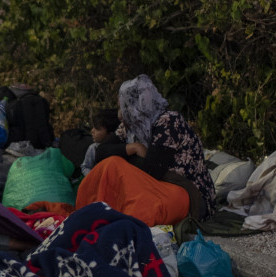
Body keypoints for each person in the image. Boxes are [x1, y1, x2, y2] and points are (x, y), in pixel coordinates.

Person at [76, 75, 216, 225]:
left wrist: (128, 158)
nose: (121, 111)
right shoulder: (130, 127)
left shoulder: (169, 121)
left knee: (121, 172)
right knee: (111, 164)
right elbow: (101, 152)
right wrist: (133, 147)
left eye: (123, 105)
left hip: (188, 195)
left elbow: (154, 171)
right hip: (156, 189)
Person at [80, 108, 121, 176]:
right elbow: (85, 167)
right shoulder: (93, 148)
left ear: (110, 134)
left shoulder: (120, 148)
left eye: (97, 129)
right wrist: (92, 176)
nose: (92, 131)